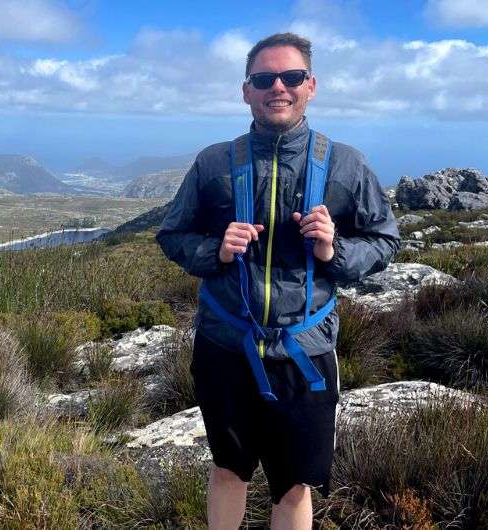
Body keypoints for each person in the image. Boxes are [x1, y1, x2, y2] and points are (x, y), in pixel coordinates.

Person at [155, 32, 401, 530]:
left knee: (293, 485)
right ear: (246, 90)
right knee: (229, 469)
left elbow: (384, 241)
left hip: (304, 350)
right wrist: (214, 250)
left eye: (290, 77)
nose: (278, 88)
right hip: (226, 347)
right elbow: (172, 233)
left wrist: (334, 251)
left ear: (311, 85)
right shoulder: (213, 162)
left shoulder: (346, 164)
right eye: (264, 79)